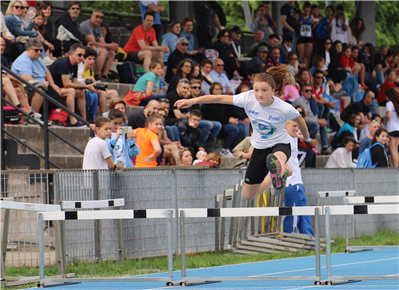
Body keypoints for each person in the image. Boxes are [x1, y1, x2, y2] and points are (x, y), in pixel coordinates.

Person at [175, 72, 310, 199]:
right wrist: (192, 101)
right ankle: (275, 176)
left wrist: (305, 136)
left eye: (264, 90)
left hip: (280, 143)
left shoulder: (284, 107)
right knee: (249, 195)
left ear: (273, 90)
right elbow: (218, 97)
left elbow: (300, 120)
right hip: (260, 147)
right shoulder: (248, 98)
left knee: (276, 157)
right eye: (256, 90)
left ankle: (280, 167)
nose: (259, 94)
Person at [11, 38, 61, 122]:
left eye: (41, 50)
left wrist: (52, 83)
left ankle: (61, 119)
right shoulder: (23, 60)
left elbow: (46, 71)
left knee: (67, 92)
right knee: (39, 90)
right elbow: (25, 78)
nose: (39, 52)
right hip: (26, 86)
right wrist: (41, 83)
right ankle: (33, 117)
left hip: (43, 84)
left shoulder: (38, 58)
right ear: (29, 49)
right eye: (36, 50)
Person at [49, 43, 97, 127]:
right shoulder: (64, 62)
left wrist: (89, 87)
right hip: (52, 90)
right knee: (71, 91)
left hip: (61, 89)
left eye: (83, 55)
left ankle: (84, 120)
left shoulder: (75, 65)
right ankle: (72, 120)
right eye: (79, 55)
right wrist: (86, 86)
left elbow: (75, 84)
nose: (82, 57)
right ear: (72, 54)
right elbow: (67, 84)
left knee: (80, 92)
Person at [283, 119, 314, 235]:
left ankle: (309, 239)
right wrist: (285, 166)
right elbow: (274, 155)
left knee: (304, 213)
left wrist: (306, 138)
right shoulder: (283, 139)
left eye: (298, 126)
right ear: (285, 126)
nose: (297, 129)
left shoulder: (293, 138)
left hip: (298, 182)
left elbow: (306, 136)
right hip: (291, 183)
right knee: (294, 215)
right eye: (294, 126)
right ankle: (290, 238)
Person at [201, 82, 244, 156]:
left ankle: (234, 149)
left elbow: (229, 111)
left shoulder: (222, 100)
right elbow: (217, 115)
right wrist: (228, 120)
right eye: (217, 89)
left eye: (220, 89)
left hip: (224, 122)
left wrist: (233, 119)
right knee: (235, 129)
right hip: (216, 123)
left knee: (241, 127)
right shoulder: (209, 101)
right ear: (212, 90)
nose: (219, 91)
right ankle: (225, 148)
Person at [77, 48, 118, 117]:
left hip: (92, 89)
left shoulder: (90, 71)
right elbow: (78, 82)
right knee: (102, 93)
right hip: (85, 90)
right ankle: (103, 115)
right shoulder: (80, 70)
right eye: (89, 59)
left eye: (93, 59)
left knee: (114, 93)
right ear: (84, 59)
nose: (92, 61)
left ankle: (113, 114)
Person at [79, 10, 118, 80]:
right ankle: (97, 75)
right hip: (83, 47)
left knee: (111, 52)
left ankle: (104, 75)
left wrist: (112, 46)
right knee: (103, 51)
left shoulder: (98, 27)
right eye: (97, 17)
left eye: (101, 18)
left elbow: (103, 43)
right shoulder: (86, 25)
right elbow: (93, 42)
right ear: (91, 16)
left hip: (93, 47)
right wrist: (109, 46)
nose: (98, 19)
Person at [292, 84, 331, 154]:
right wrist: (317, 121)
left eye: (310, 90)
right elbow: (302, 117)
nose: (309, 92)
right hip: (297, 124)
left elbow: (310, 115)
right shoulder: (299, 101)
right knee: (315, 125)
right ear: (302, 92)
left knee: (322, 124)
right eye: (307, 91)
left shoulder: (306, 101)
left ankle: (325, 146)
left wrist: (320, 120)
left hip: (303, 122)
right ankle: (310, 145)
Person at [383, 88, 399, 167]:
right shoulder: (397, 104)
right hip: (397, 128)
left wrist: (383, 118)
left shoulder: (389, 103)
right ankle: (396, 166)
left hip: (391, 129)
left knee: (392, 150)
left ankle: (395, 168)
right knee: (396, 150)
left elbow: (389, 115)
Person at [296, 2, 315, 68]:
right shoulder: (299, 15)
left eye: (308, 11)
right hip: (301, 36)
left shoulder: (311, 16)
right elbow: (295, 25)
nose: (307, 13)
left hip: (308, 37)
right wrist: (299, 24)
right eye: (305, 11)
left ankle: (306, 68)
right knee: (302, 55)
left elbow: (313, 28)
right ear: (303, 9)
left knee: (308, 55)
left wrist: (314, 24)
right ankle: (301, 68)